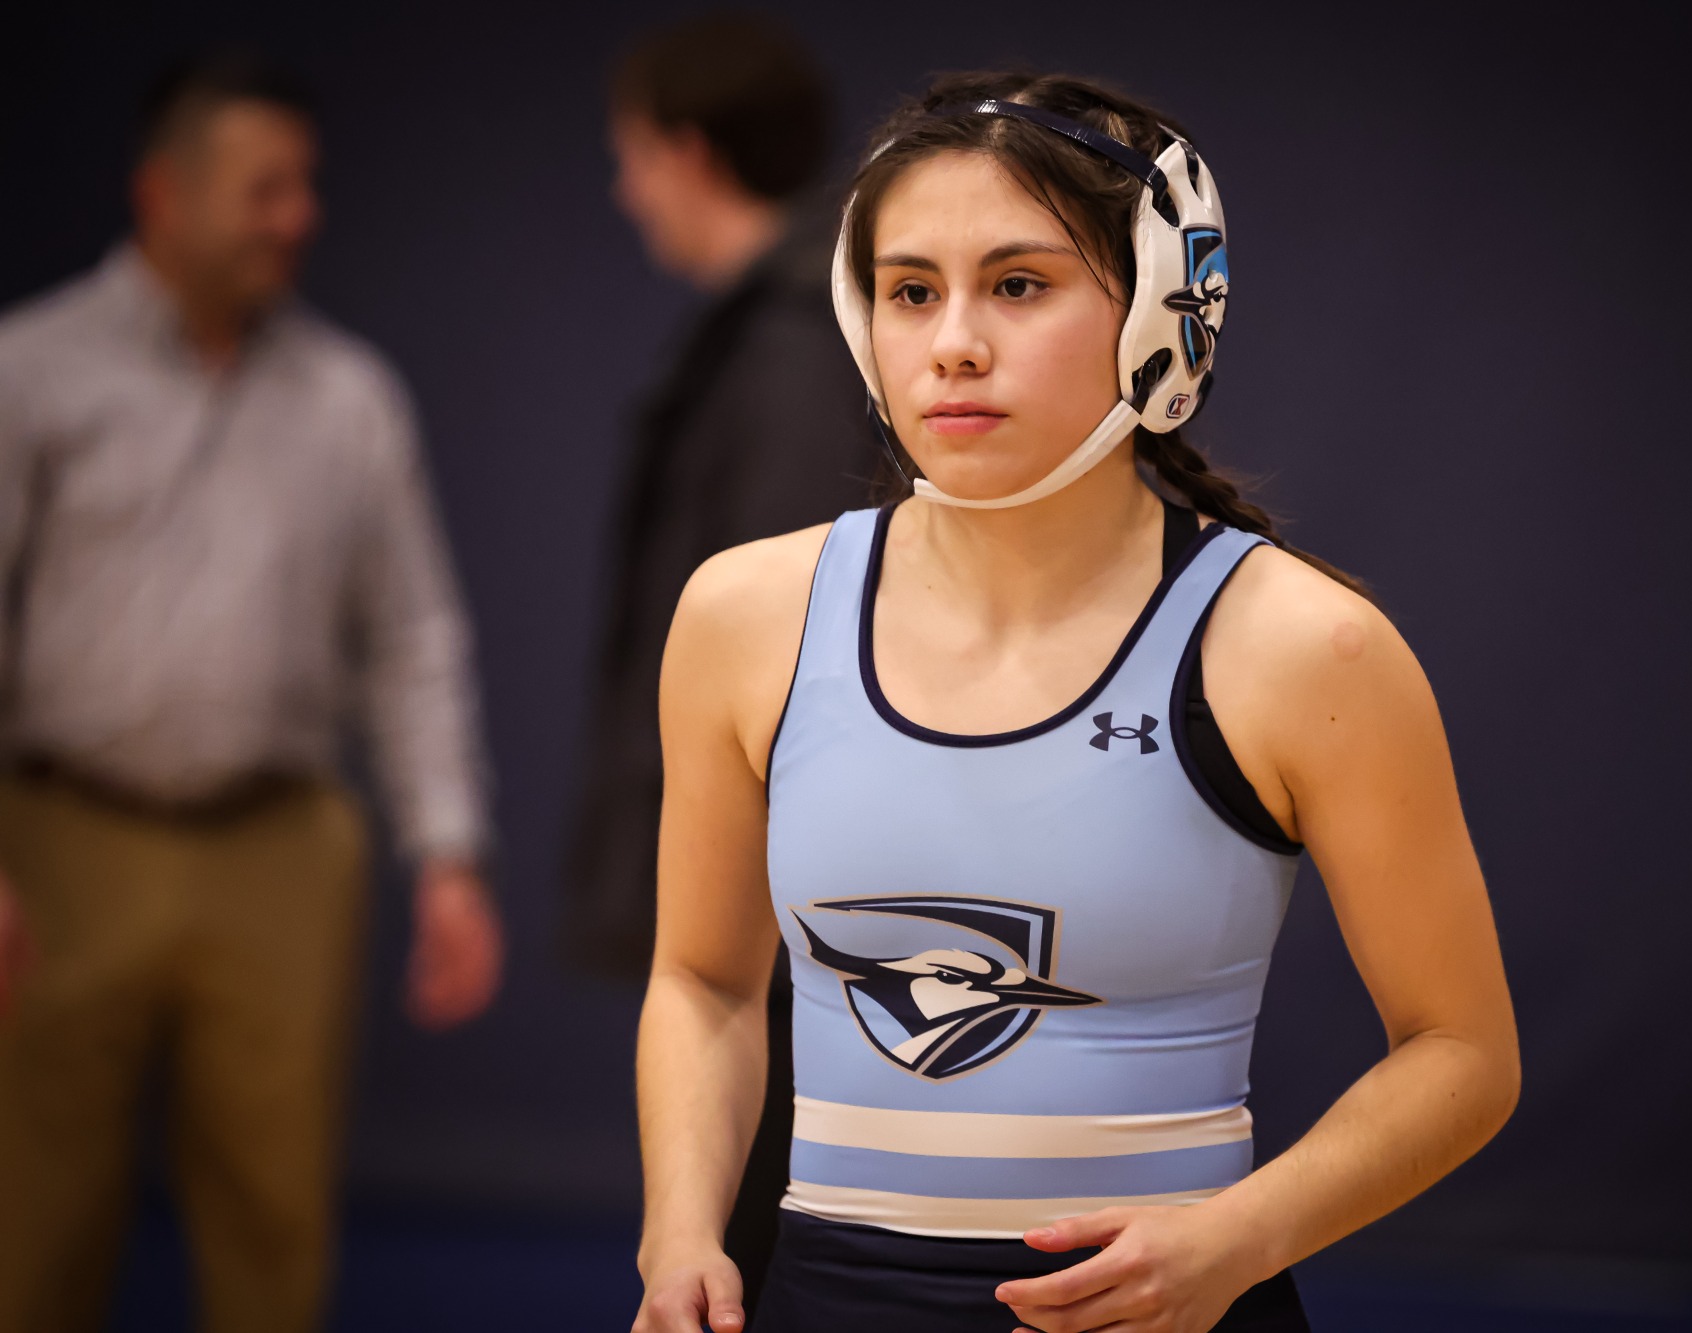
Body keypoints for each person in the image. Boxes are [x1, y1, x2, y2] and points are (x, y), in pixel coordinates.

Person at [628, 72, 1521, 1333]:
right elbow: (706, 982)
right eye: (909, 291)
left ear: (1166, 313)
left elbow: (1463, 1052)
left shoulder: (1300, 648)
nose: (951, 343)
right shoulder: (744, 616)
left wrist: (1238, 1239)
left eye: (1017, 284)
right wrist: (678, 1234)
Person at [0, 52, 502, 1333]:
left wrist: (445, 852)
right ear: (163, 194)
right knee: (32, 1207)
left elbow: (412, 636)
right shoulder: (33, 370)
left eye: (305, 187)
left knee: (272, 1212)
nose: (298, 216)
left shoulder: (350, 398)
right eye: (265, 188)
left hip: (283, 844)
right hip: (62, 838)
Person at [571, 14, 877, 1310]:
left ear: (690, 154)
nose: (622, 189)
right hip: (755, 889)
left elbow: (784, 648)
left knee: (755, 1242)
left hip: (782, 894)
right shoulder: (770, 331)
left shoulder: (796, 347)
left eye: (631, 154)